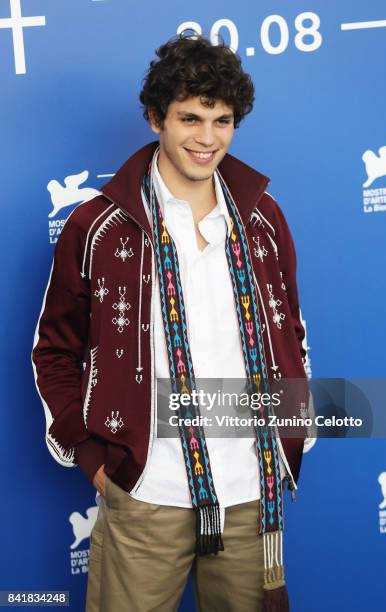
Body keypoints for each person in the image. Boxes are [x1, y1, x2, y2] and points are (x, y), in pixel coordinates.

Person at [32, 33, 308, 612]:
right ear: (156, 118)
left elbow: (292, 331)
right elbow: (54, 351)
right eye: (190, 117)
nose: (207, 139)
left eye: (222, 120)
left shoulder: (262, 217)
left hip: (250, 491)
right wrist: (90, 453)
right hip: (147, 491)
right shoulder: (97, 226)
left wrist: (290, 428)